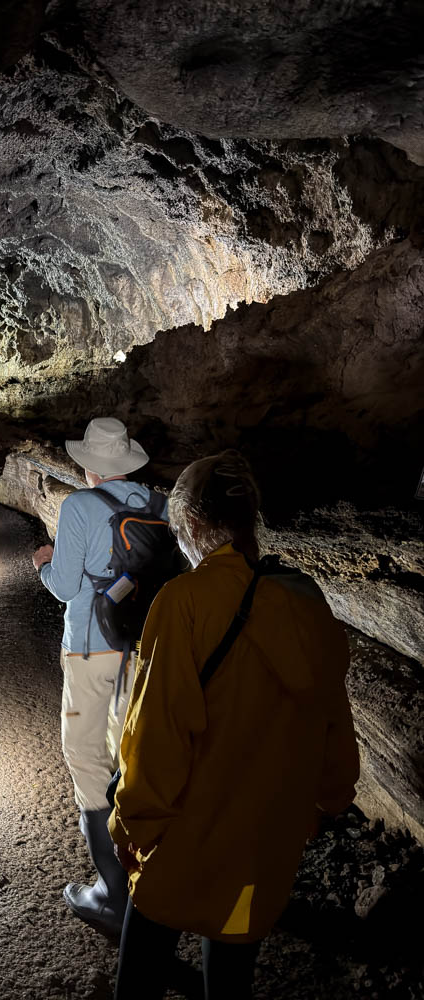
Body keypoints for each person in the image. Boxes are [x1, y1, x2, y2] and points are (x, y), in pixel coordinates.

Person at [110, 449, 360, 1000]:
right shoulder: (305, 601)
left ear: (192, 524)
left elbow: (157, 733)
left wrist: (133, 824)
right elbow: (331, 714)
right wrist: (329, 797)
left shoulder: (186, 600)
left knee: (144, 966)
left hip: (188, 833)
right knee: (231, 971)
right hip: (265, 839)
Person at [32, 416, 156, 936]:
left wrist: (43, 563)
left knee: (85, 756)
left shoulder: (79, 505)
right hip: (140, 648)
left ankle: (111, 893)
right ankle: (144, 874)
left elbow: (63, 586)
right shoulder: (156, 504)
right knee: (128, 753)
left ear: (89, 466)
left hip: (89, 646)